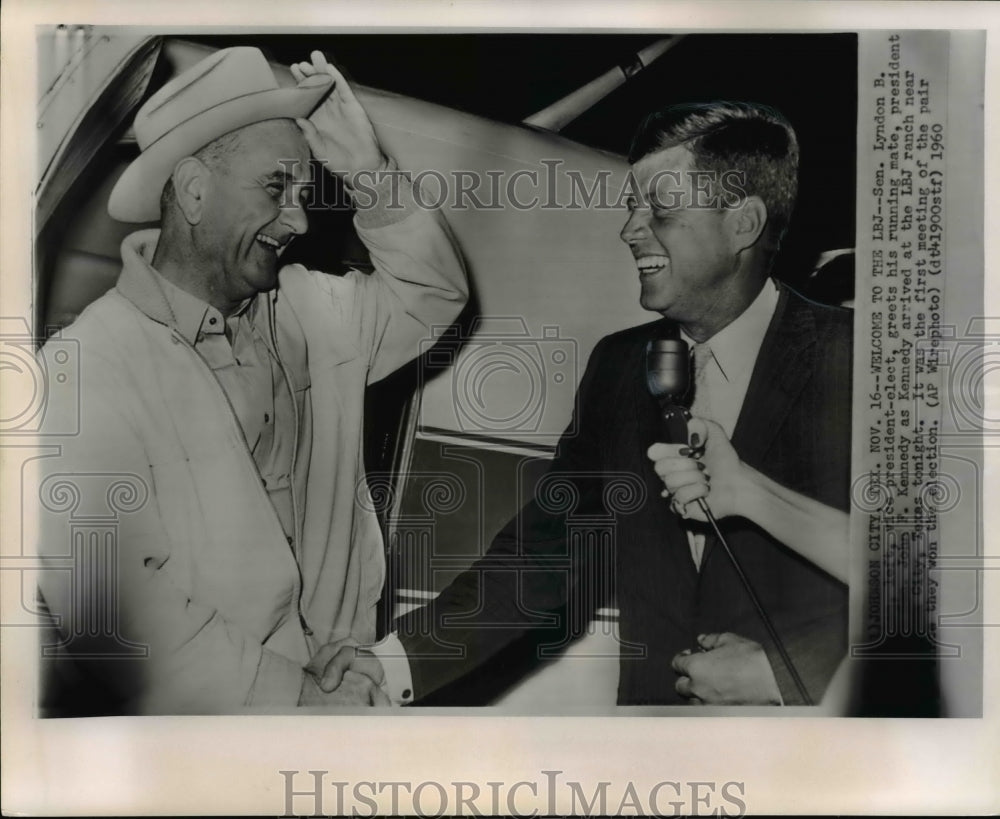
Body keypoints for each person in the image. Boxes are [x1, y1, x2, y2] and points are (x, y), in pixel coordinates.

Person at [316, 100, 852, 707]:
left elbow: (942, 584)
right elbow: (544, 556)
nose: (630, 228)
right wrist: (391, 663)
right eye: (632, 205)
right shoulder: (618, 368)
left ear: (744, 224)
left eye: (662, 210)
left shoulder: (861, 361)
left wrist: (790, 674)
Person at [35, 47, 468, 715]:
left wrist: (369, 173)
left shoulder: (312, 310)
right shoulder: (86, 365)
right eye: (275, 187)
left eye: (304, 193)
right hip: (210, 734)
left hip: (337, 703)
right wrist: (292, 695)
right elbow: (112, 613)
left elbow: (433, 292)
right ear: (195, 189)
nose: (298, 220)